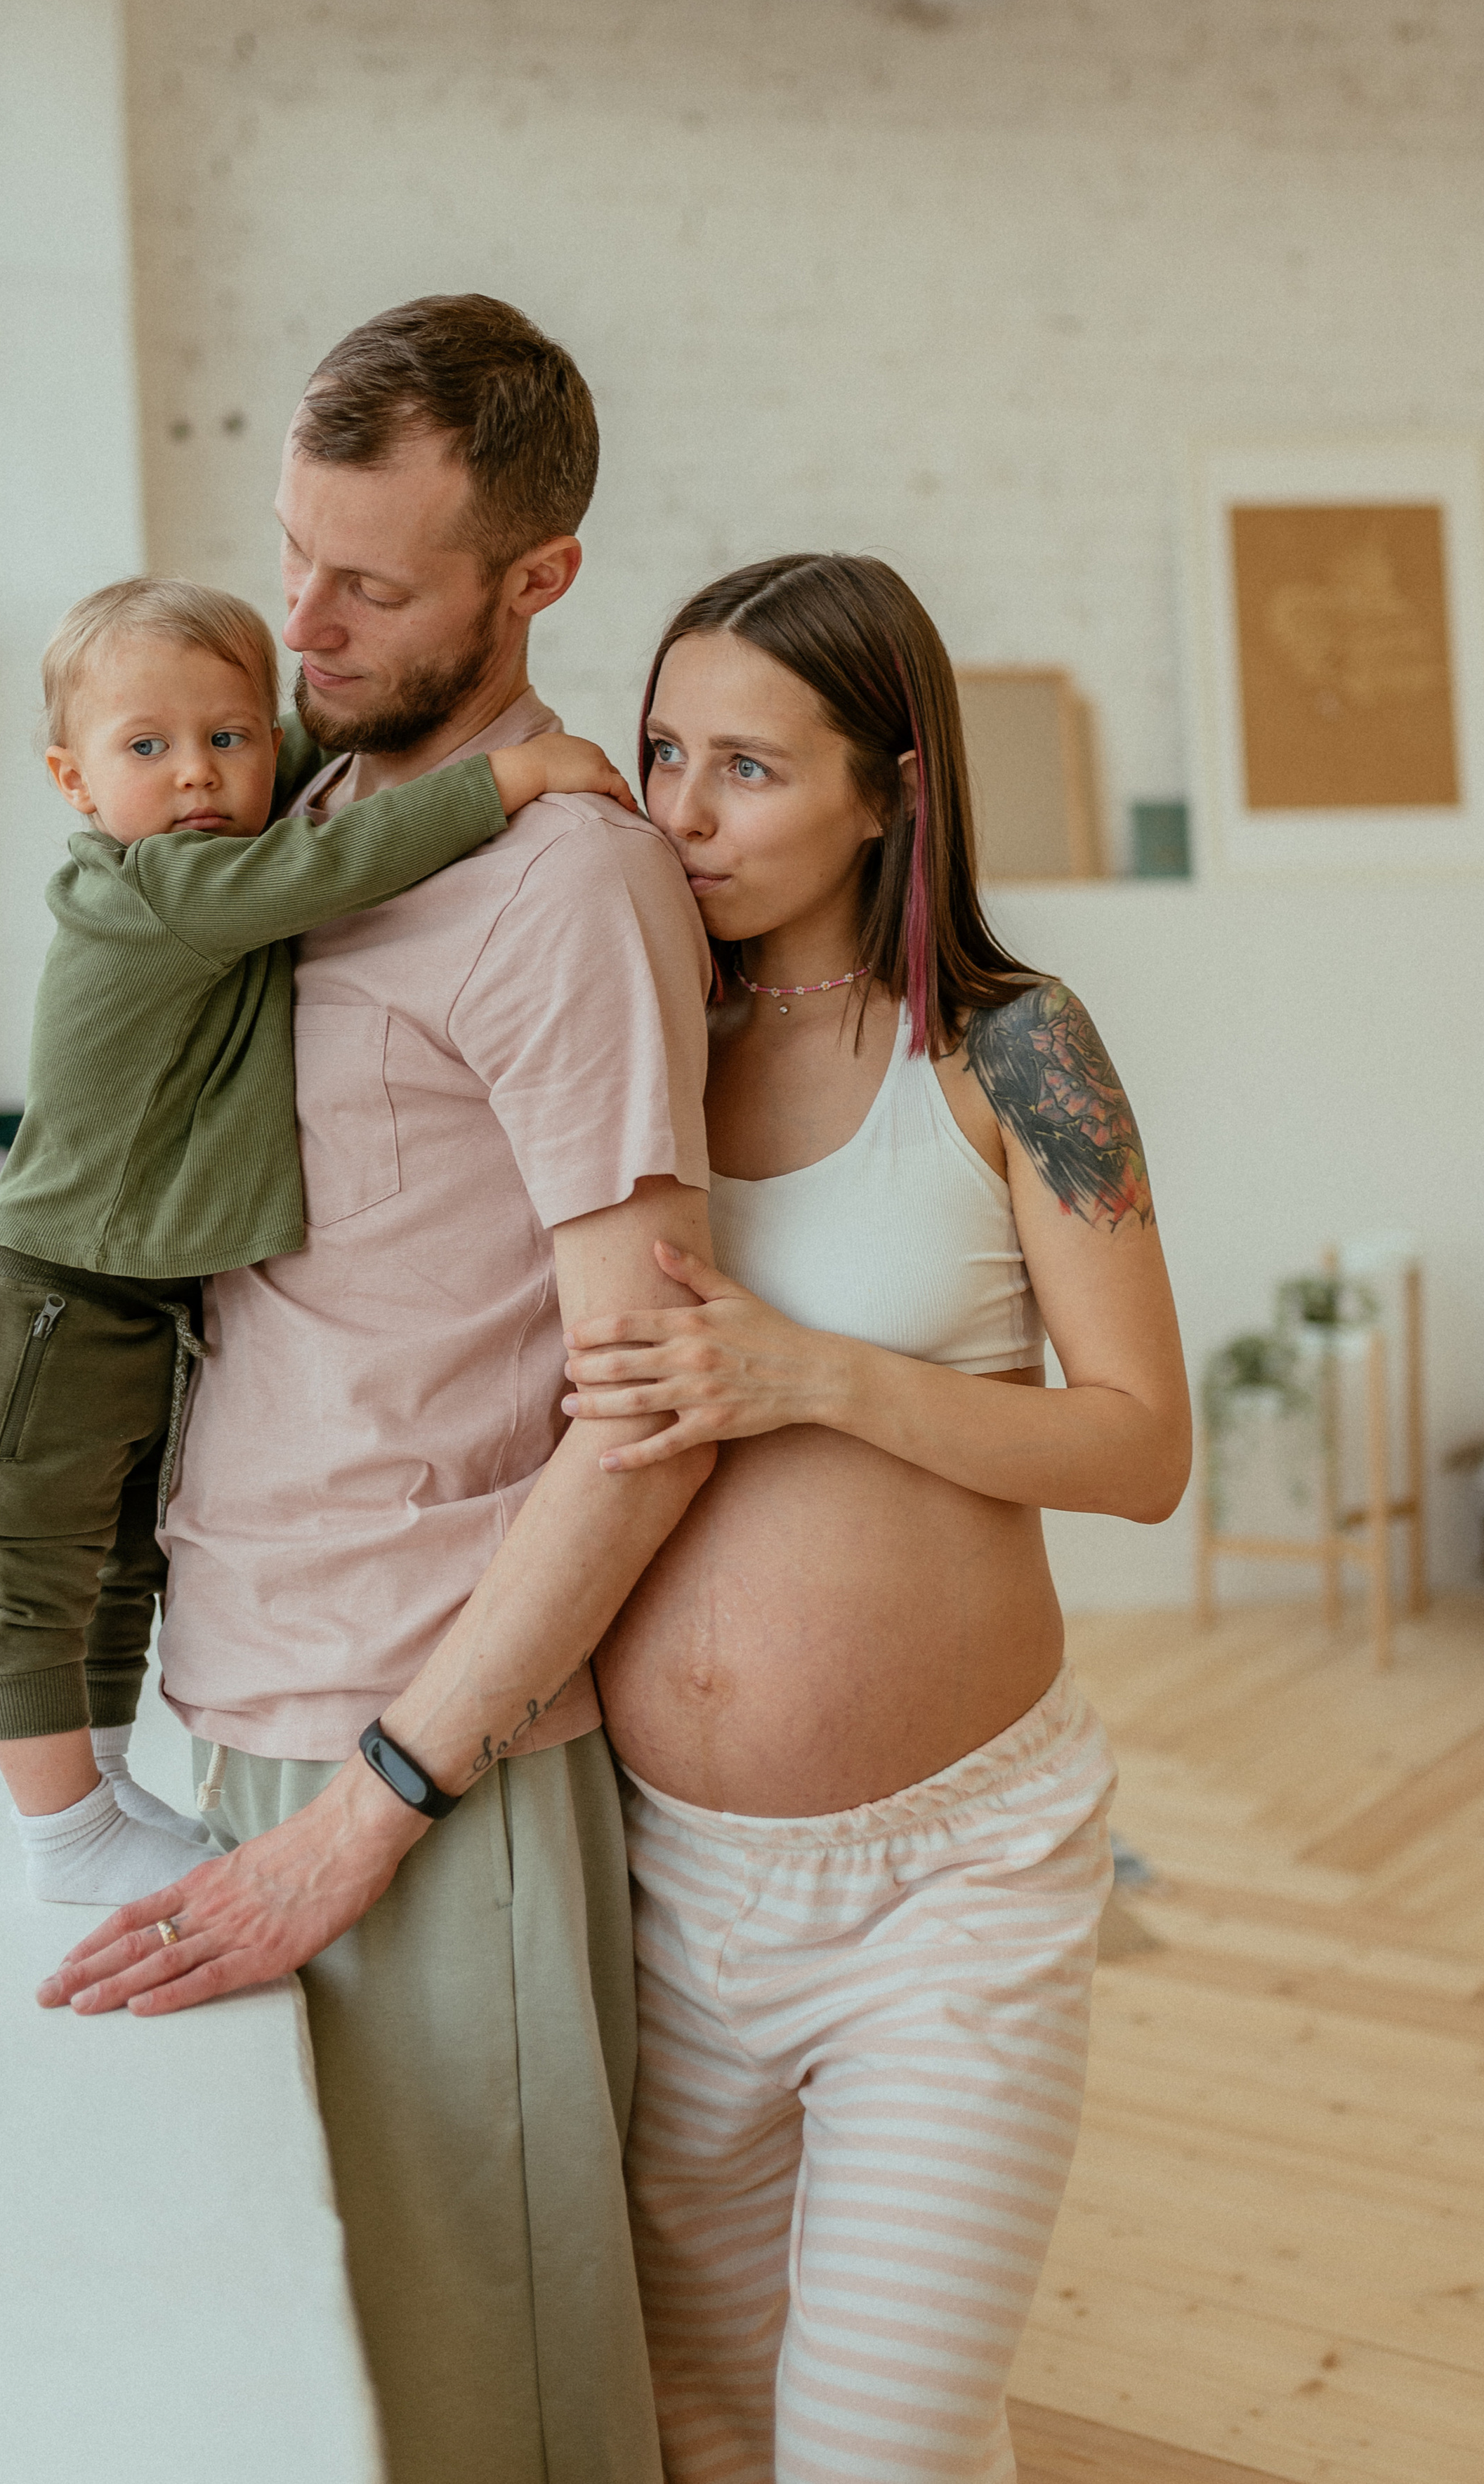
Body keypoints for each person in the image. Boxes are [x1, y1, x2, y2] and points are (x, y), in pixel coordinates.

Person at [0, 297, 717, 2484]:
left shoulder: (566, 882)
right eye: (292, 554)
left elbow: (648, 1401)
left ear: (538, 580)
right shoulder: (295, 815)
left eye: (378, 581)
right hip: (238, 1713)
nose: (303, 621)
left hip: (424, 1765)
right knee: (335, 2418)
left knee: (492, 2417)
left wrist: (374, 1820)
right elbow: (200, 1189)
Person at [557, 553, 1193, 2484]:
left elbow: (1143, 1446)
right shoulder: (635, 1028)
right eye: (662, 749)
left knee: (881, 2449)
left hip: (955, 1884)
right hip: (665, 1879)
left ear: (891, 788)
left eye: (746, 766)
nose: (678, 809)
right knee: (707, 2435)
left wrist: (815, 1376)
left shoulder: (1012, 1047)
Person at [0, 572, 634, 1907]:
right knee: (39, 1578)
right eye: (148, 748)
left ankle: (100, 1780)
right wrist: (513, 776)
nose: (197, 775)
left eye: (227, 738)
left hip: (123, 1298)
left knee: (120, 1557)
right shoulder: (168, 886)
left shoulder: (206, 826)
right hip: (52, 1304)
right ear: (72, 782)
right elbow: (337, 855)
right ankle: (59, 1834)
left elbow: (305, 741)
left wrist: (299, 707)